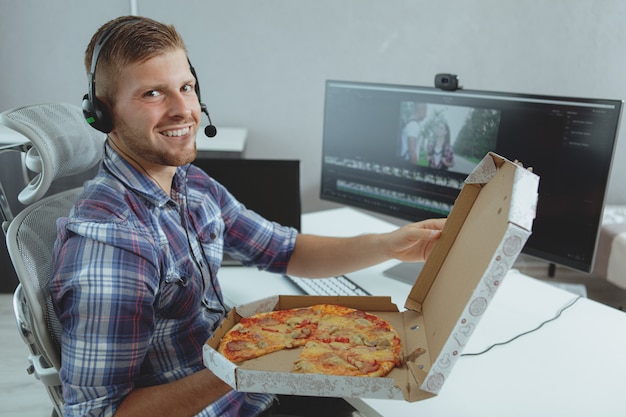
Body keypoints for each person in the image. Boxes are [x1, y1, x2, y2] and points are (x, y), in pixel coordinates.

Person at [50, 16, 446, 417]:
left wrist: (392, 244)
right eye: (153, 93)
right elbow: (95, 414)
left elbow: (284, 249)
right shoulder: (112, 245)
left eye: (186, 87)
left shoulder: (191, 185)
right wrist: (247, 360)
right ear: (102, 113)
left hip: (246, 389)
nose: (184, 109)